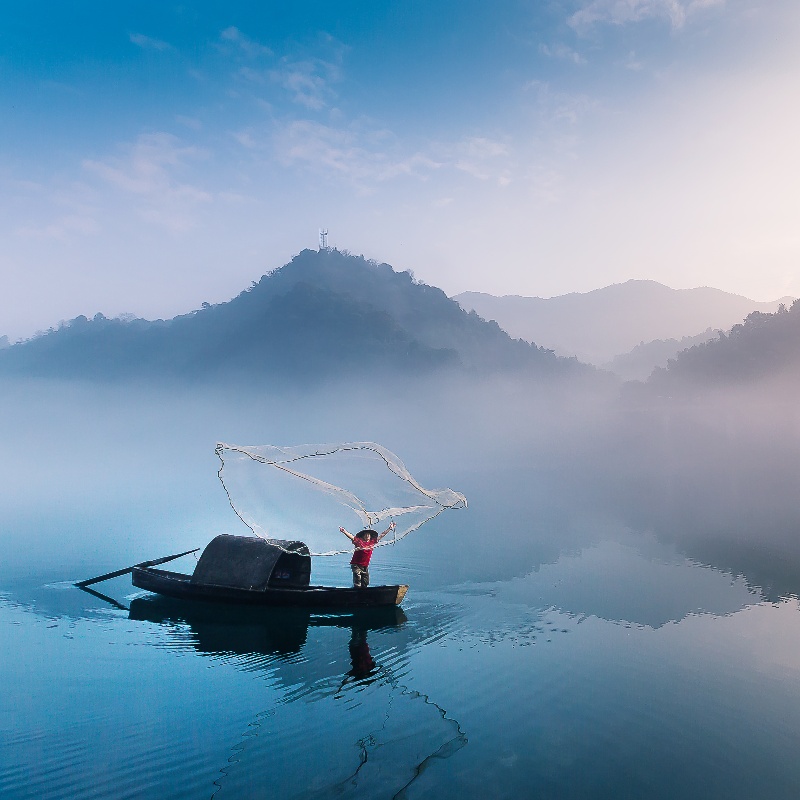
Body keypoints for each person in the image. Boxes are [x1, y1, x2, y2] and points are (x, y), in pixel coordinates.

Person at [339, 521, 396, 588]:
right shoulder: (359, 542)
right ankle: (356, 593)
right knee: (358, 580)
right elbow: (351, 537)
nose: (367, 536)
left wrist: (389, 528)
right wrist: (344, 531)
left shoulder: (372, 542)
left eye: (368, 535)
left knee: (365, 582)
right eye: (365, 535)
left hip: (365, 566)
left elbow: (382, 535)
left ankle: (363, 593)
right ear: (363, 536)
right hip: (356, 564)